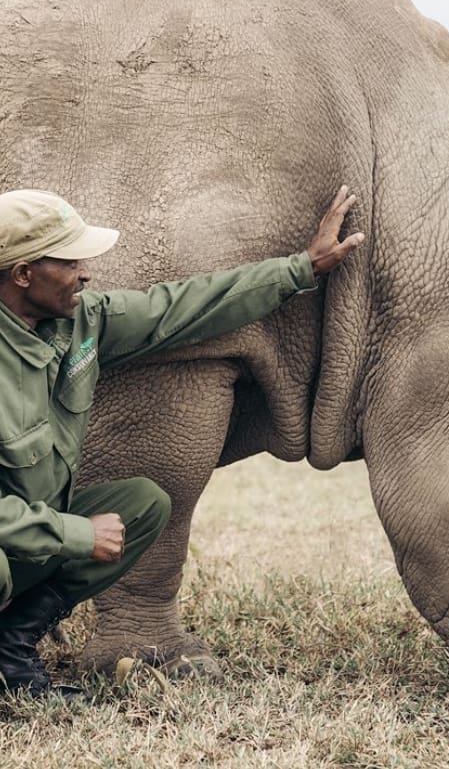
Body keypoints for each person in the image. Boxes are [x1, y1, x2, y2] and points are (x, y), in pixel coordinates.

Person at [0, 186, 364, 697]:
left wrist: (300, 268)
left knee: (143, 506)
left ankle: (12, 641)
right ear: (22, 275)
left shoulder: (79, 321)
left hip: (34, 532)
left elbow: (181, 308)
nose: (86, 272)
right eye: (69, 261)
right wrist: (77, 535)